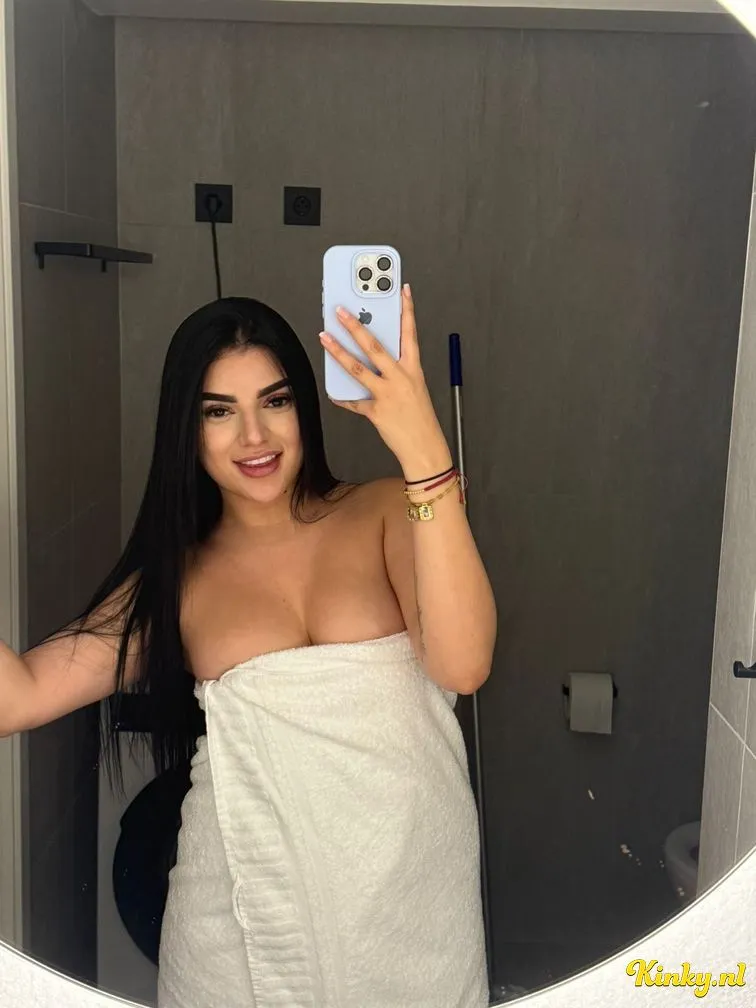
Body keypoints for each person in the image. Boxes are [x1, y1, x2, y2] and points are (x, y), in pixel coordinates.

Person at [0, 286, 497, 1008]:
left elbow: (464, 664)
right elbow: (17, 698)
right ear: (186, 428)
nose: (254, 437)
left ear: (305, 407)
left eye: (276, 401)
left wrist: (423, 445)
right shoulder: (176, 579)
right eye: (219, 411)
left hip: (409, 914)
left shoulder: (389, 509)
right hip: (237, 930)